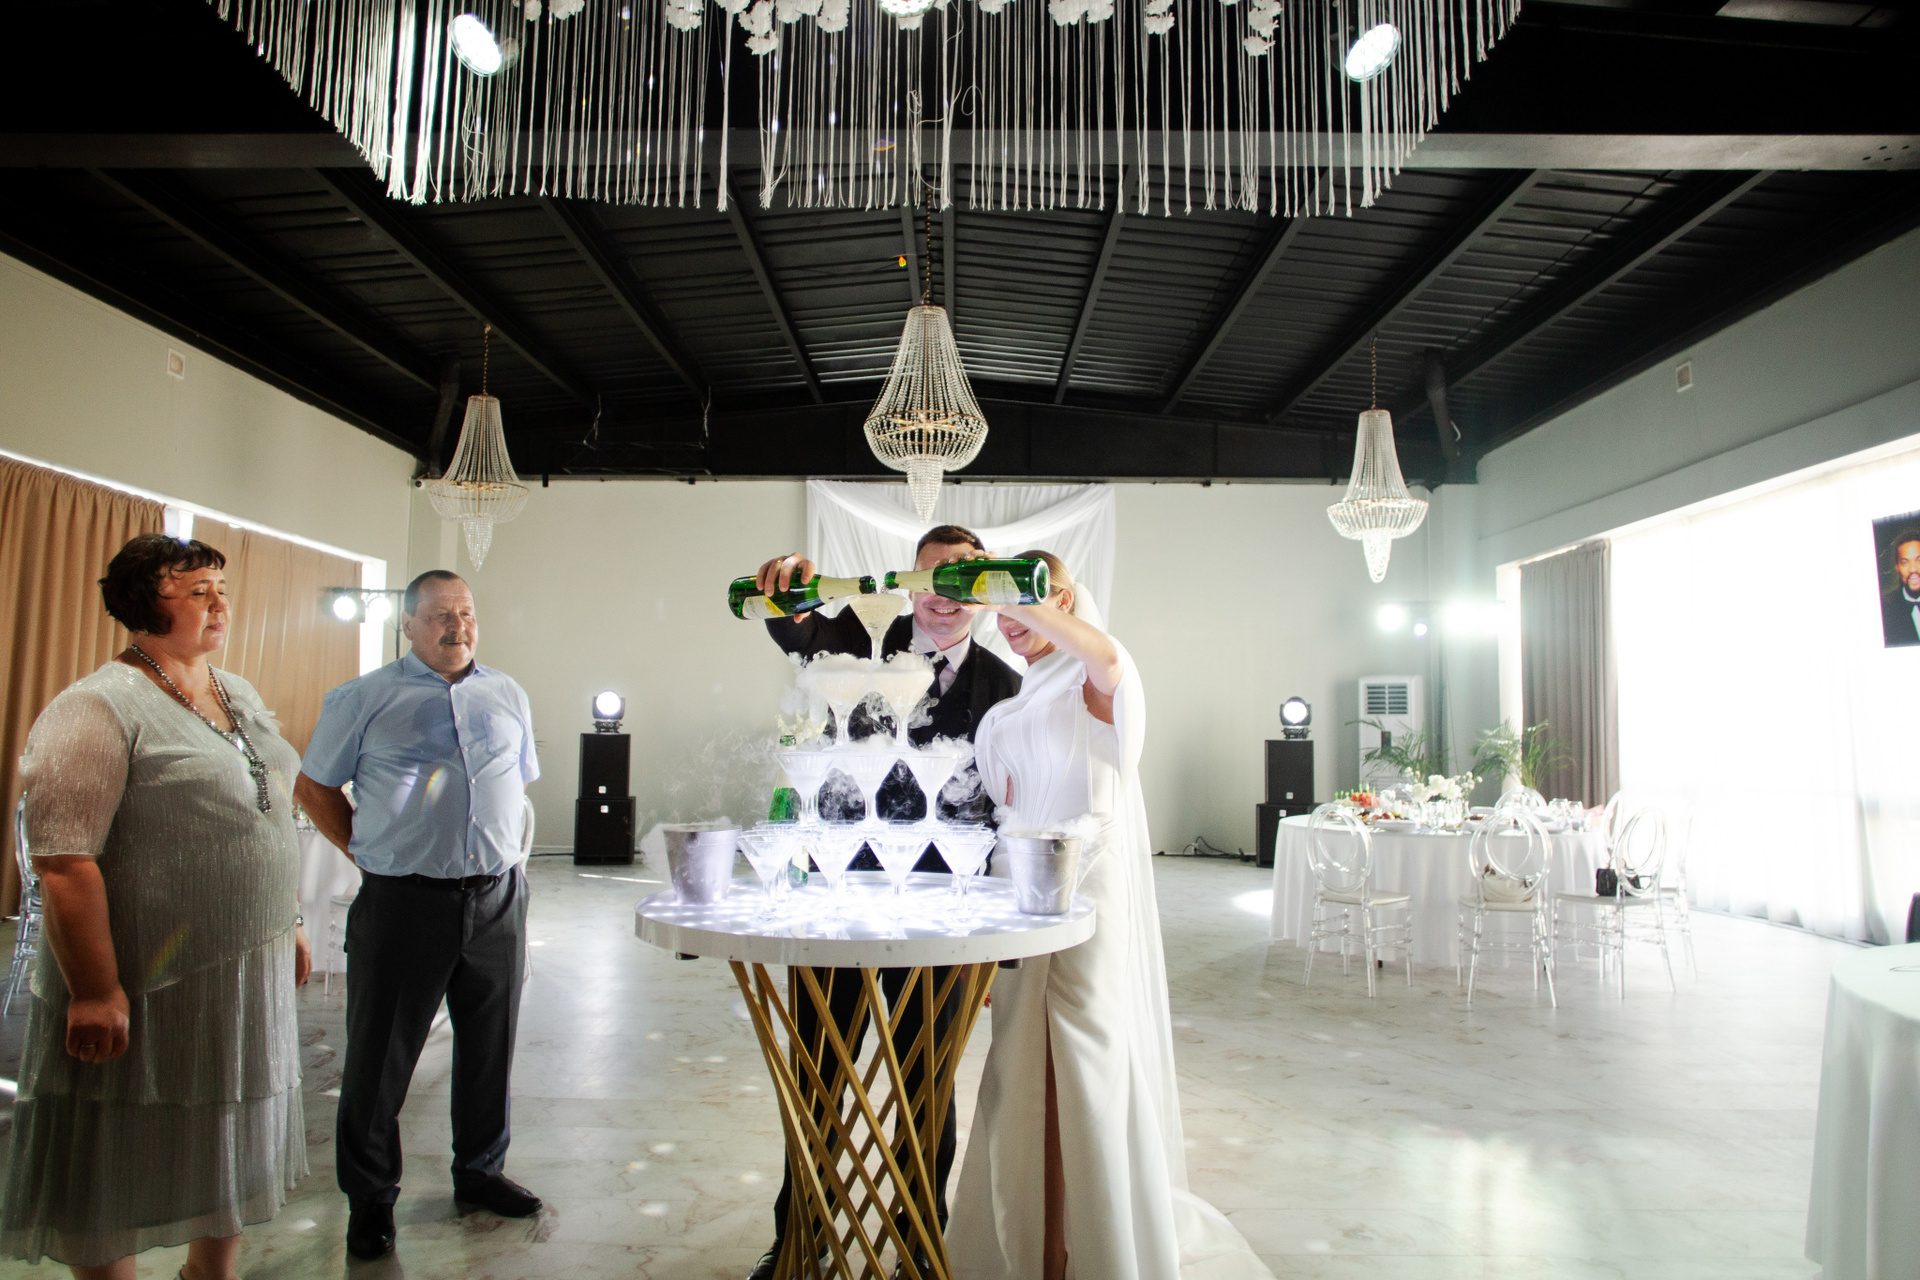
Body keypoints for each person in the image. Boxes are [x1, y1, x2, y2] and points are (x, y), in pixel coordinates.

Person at [948, 550, 1272, 1280]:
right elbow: (1004, 810)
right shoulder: (1008, 710)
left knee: (1084, 1053)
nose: (1009, 621)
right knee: (1018, 1060)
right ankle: (1029, 1243)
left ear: (1062, 600)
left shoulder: (1097, 677)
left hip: (1091, 890)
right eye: (1001, 610)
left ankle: (1095, 1249)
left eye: (1024, 603)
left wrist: (1014, 595)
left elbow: (1103, 660)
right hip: (1021, 897)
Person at [0, 534, 311, 1279]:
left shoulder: (236, 691)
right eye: (197, 591)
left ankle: (210, 1270)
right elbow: (65, 861)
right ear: (144, 603)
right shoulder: (96, 706)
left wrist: (290, 917)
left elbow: (268, 811)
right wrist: (95, 989)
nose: (219, 604)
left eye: (221, 589)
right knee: (115, 1131)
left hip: (242, 966)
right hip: (144, 969)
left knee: (230, 1118)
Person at [744, 525, 1022, 1280]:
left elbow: (1010, 814)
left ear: (984, 592)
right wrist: (786, 581)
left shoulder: (1007, 686)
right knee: (816, 1080)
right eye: (932, 577)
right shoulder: (856, 641)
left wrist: (994, 944)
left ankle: (920, 1240)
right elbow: (795, 624)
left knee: (926, 1088)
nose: (945, 595)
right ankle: (798, 1236)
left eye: (964, 580)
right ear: (910, 582)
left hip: (945, 917)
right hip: (838, 899)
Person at [294, 570, 541, 1261]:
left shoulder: (507, 692)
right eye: (440, 615)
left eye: (466, 613)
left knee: (490, 1046)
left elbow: (513, 784)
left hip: (497, 897)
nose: (458, 626)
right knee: (380, 1060)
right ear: (407, 625)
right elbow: (313, 788)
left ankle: (480, 1172)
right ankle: (371, 1200)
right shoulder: (363, 697)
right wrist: (370, 852)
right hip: (404, 902)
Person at [1879, 526, 1920, 647]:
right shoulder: (1884, 609)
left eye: (1919, 560)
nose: (1913, 569)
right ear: (1897, 567)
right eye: (1905, 562)